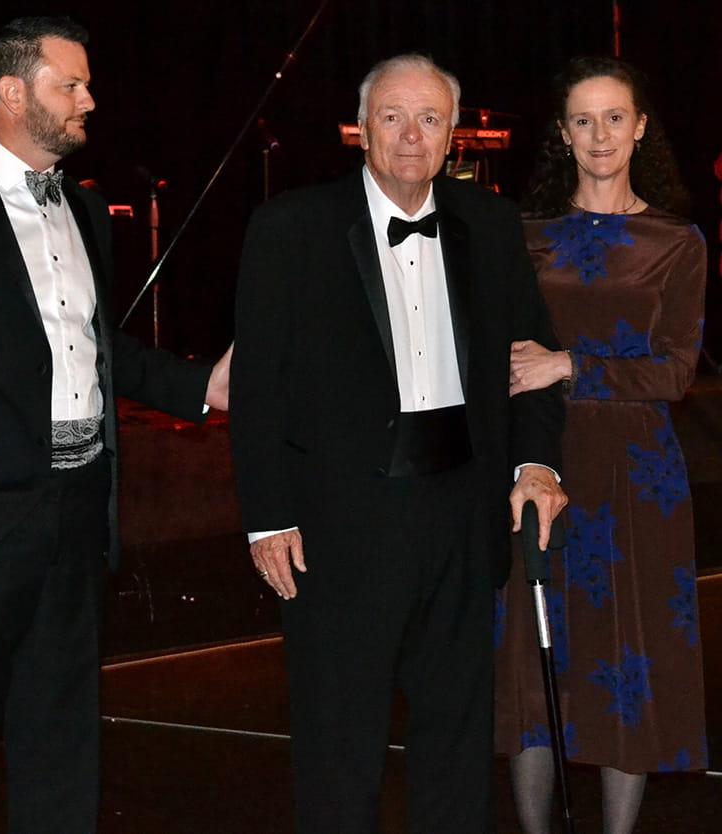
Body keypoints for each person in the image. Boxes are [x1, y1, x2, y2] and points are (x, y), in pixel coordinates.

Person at [230, 53, 567, 833]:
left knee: (456, 739)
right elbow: (258, 389)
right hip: (340, 524)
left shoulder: (490, 223)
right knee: (338, 744)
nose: (411, 136)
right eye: (392, 117)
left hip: (462, 510)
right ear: (360, 130)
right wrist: (267, 515)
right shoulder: (290, 227)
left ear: (454, 134)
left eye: (429, 119)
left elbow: (533, 361)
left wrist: (537, 462)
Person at [0, 16, 230, 834]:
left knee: (60, 744)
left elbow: (101, 350)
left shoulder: (87, 214)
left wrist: (205, 384)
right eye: (72, 84)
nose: (90, 99)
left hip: (78, 513)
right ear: (12, 92)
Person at [494, 56, 707, 834]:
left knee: (629, 655)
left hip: (637, 472)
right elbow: (502, 351)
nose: (600, 135)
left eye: (615, 117)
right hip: (539, 458)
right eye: (582, 120)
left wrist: (568, 364)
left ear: (641, 126)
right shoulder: (525, 238)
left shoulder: (676, 241)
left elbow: (677, 371)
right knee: (531, 653)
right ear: (562, 134)